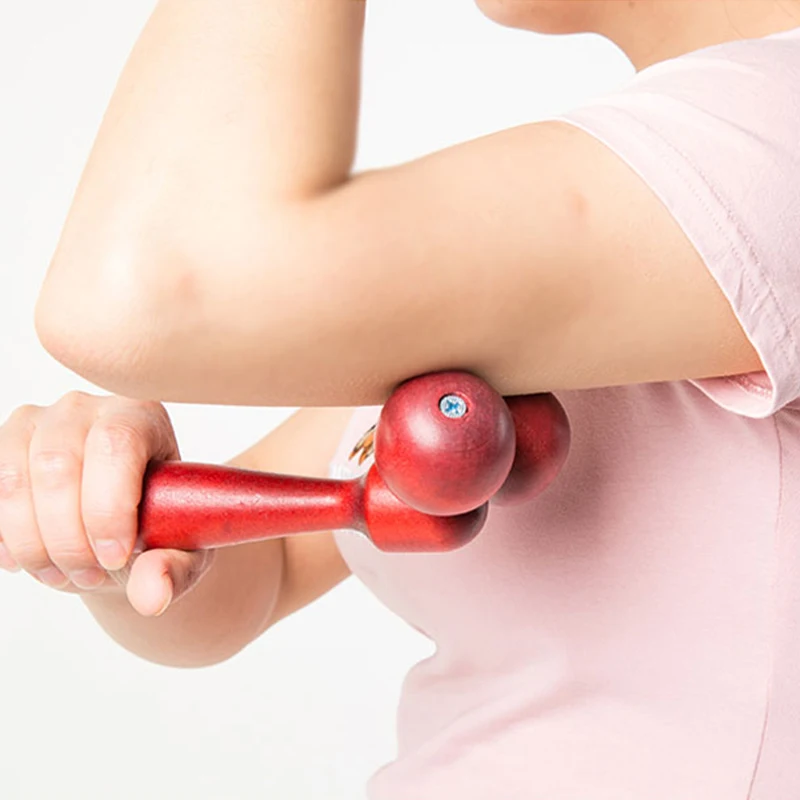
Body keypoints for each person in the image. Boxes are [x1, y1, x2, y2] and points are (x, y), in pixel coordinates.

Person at [2, 0, 800, 796]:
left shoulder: (769, 130)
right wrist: (112, 518)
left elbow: (140, 292)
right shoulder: (661, 175)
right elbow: (263, 570)